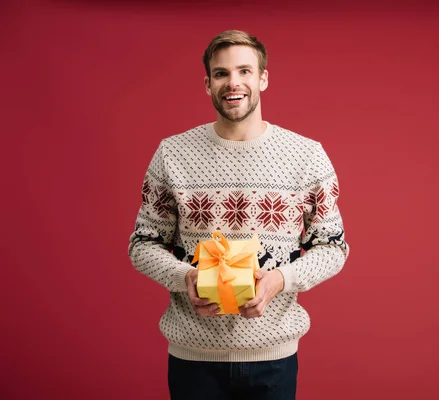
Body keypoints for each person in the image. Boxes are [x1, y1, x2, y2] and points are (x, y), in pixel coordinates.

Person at [128, 29, 349, 400]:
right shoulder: (172, 154)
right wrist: (187, 277)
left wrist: (279, 279)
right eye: (221, 73)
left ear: (263, 78)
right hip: (193, 358)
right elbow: (142, 245)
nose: (233, 82)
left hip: (274, 357)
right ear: (207, 83)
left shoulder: (307, 156)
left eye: (245, 71)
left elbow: (334, 247)